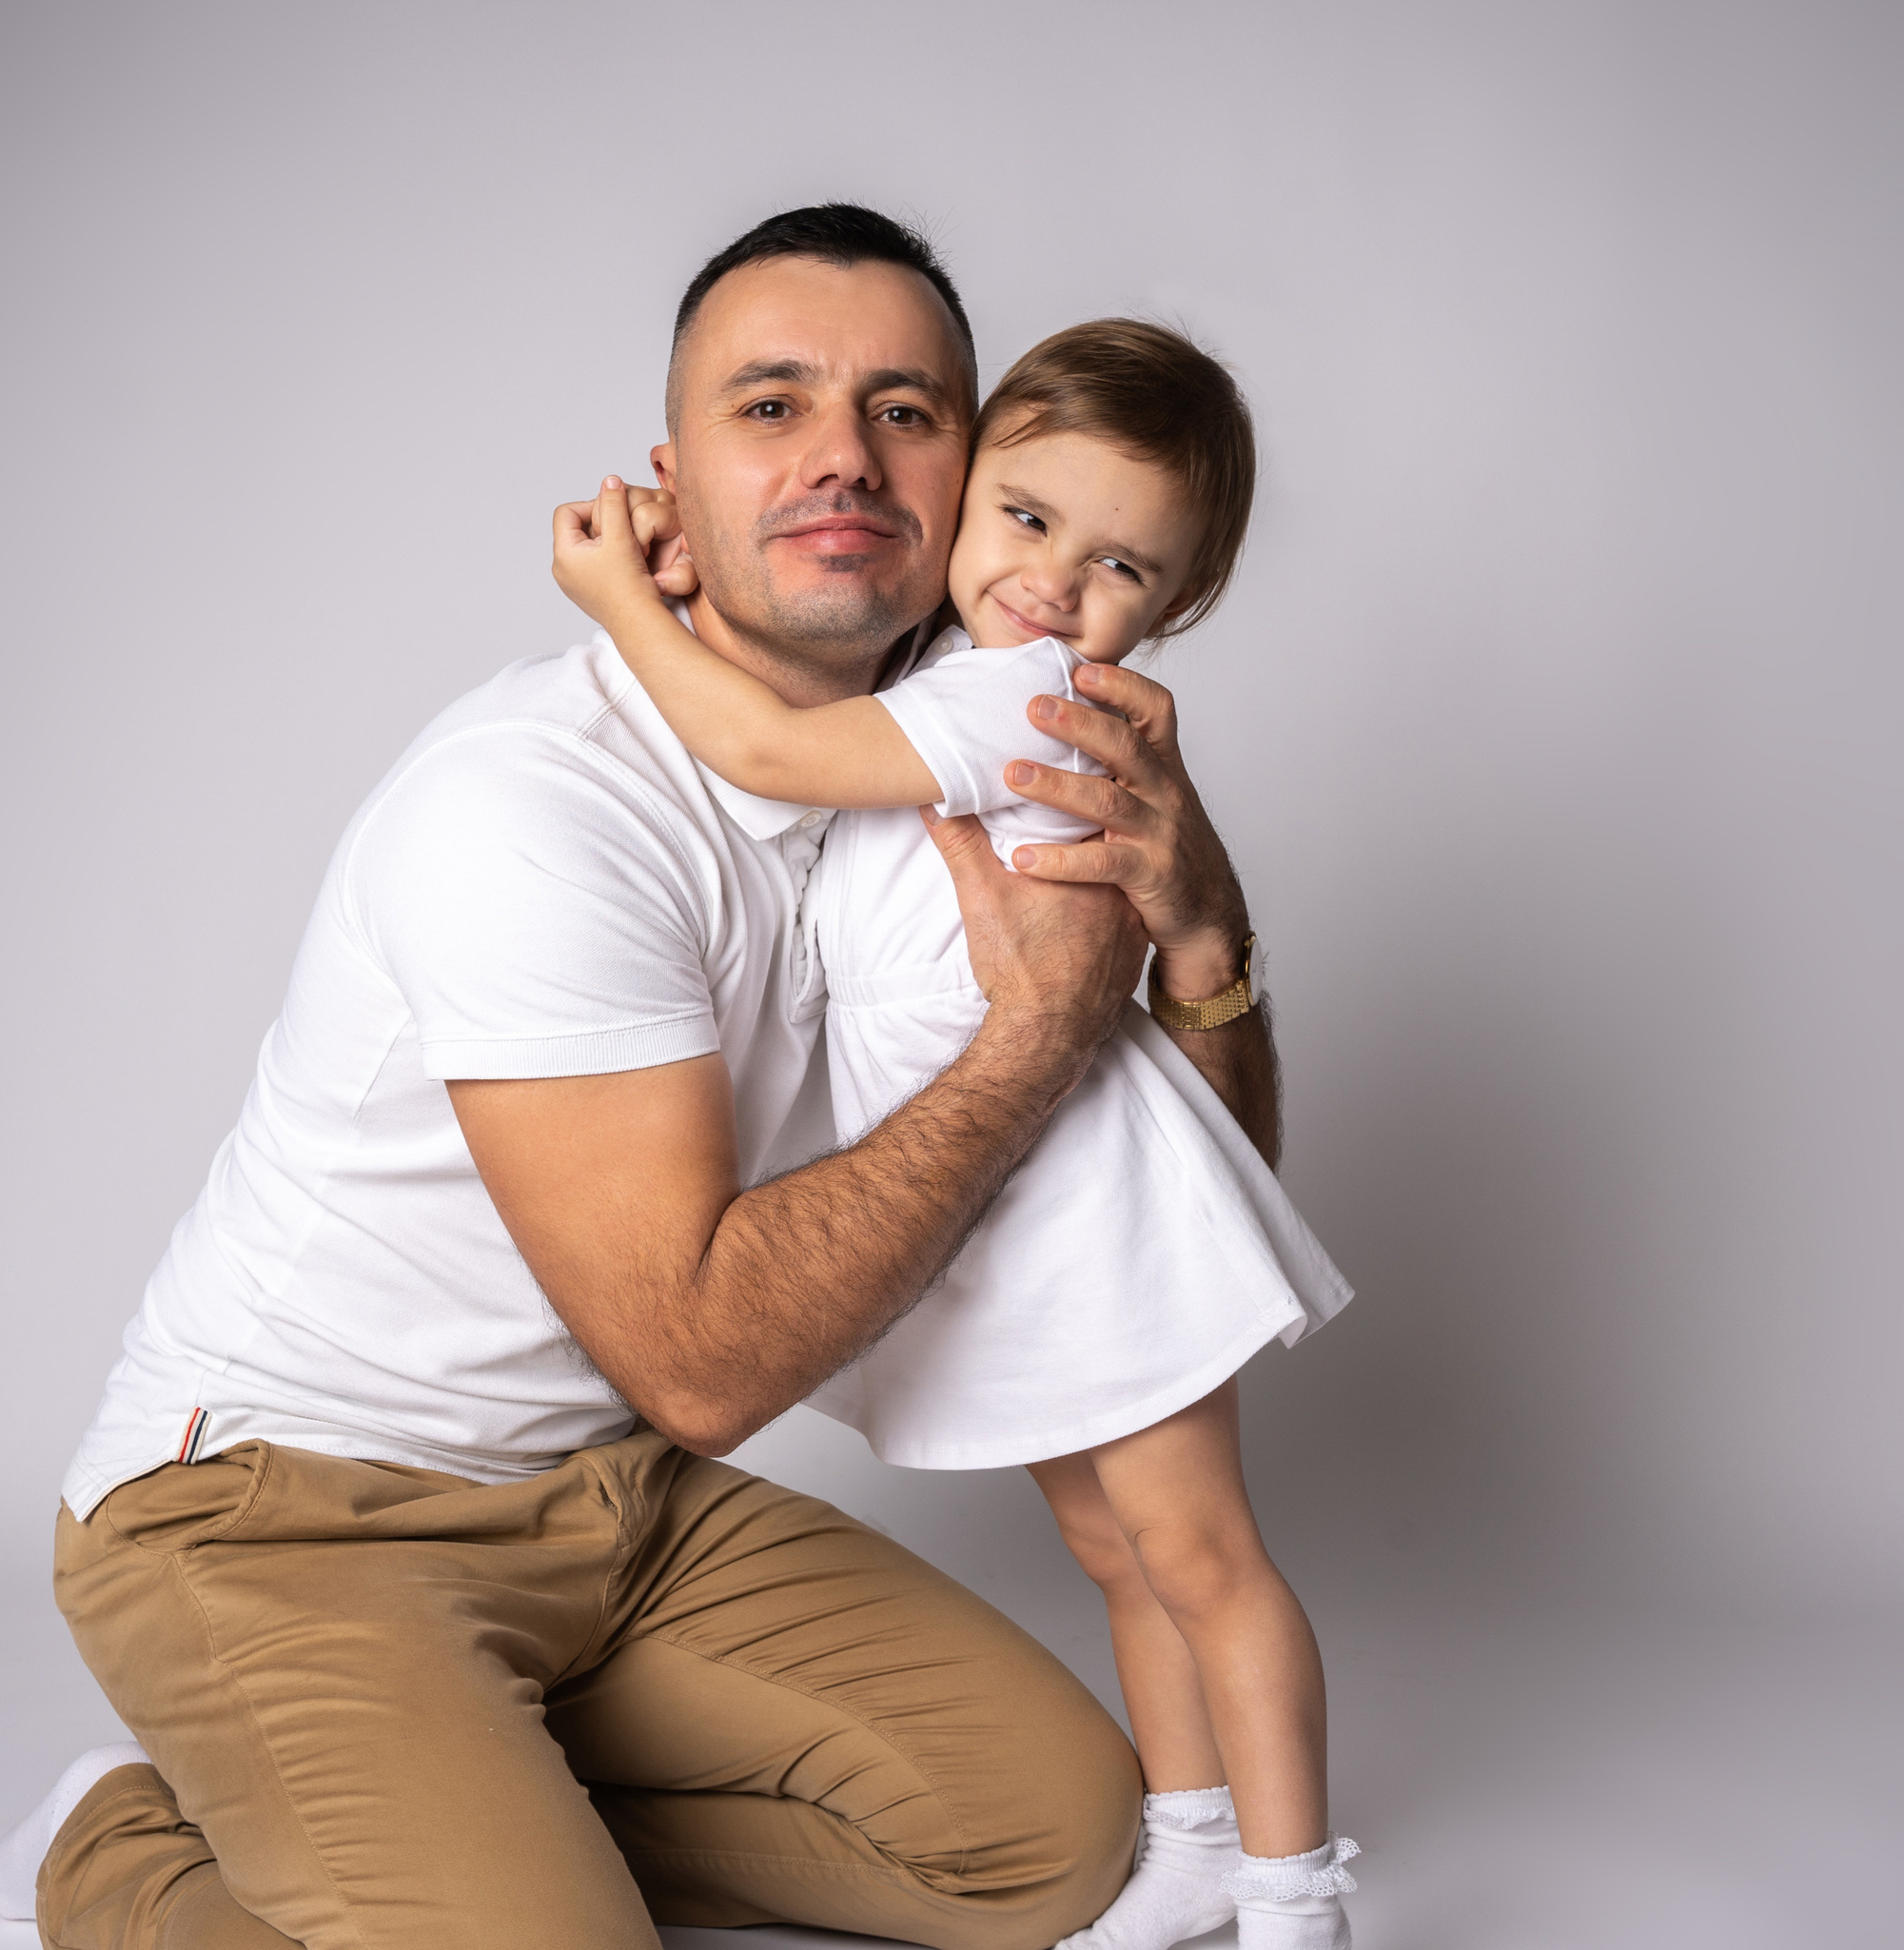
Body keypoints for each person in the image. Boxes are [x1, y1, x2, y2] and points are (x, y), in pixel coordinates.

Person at [0, 206, 1286, 1950]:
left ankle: (467, 1810)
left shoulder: (983, 749)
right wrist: (1042, 1028)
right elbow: (700, 1360)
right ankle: (114, 1850)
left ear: (977, 477)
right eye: (772, 407)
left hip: (606, 1502)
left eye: (906, 410)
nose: (842, 454)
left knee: (1048, 1844)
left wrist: (1206, 945)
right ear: (670, 479)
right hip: (282, 1511)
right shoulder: (536, 810)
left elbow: (1187, 1223)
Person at [549, 317, 1359, 1950]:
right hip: (1010, 1193)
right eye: (1031, 519)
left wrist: (622, 600)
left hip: (1095, 1196)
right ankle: (1193, 1845)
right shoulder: (942, 674)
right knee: (1110, 1545)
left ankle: (1299, 1895)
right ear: (968, 488)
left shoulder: (1025, 697)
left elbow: (770, 742)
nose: (1058, 582)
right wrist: (695, 553)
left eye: (1124, 565)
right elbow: (793, 673)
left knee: (1200, 1551)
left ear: (1177, 606)